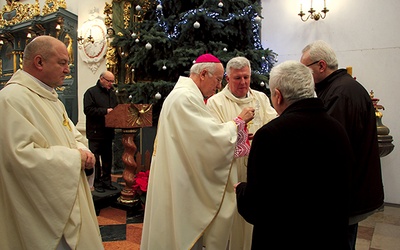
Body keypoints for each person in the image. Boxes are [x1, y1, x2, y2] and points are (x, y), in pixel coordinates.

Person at [140, 53, 256, 250]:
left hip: (179, 173)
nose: (218, 86)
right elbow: (207, 139)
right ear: (203, 74)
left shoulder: (185, 95)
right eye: (218, 79)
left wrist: (236, 135)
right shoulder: (185, 98)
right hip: (181, 179)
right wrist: (238, 122)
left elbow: (199, 138)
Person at [235, 60, 353, 249]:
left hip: (284, 239)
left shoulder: (270, 135)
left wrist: (241, 190)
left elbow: (256, 208)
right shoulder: (337, 129)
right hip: (329, 238)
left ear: (278, 96)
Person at [0, 35, 103, 249]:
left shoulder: (51, 97)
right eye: (62, 63)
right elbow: (19, 158)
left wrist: (84, 150)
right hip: (41, 212)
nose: (67, 70)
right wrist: (75, 158)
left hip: (66, 195)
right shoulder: (11, 99)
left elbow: (71, 134)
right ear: (39, 62)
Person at [300, 40, 384, 249]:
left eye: (305, 68)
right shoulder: (341, 87)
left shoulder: (340, 93)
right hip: (347, 192)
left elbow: (329, 147)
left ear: (321, 65)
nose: (302, 74)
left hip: (343, 195)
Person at [207, 56, 277, 250]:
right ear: (227, 78)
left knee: (254, 223)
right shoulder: (215, 103)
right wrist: (239, 127)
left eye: (246, 77)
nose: (244, 82)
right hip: (230, 172)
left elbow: (275, 124)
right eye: (238, 78)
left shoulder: (260, 98)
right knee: (232, 220)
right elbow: (214, 138)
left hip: (258, 169)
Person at [84, 70, 118, 193]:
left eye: (112, 81)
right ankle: (97, 183)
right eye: (109, 81)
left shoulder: (112, 93)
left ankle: (107, 182)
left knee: (108, 159)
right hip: (95, 132)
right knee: (96, 160)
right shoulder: (90, 92)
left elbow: (116, 108)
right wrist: (105, 111)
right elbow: (88, 110)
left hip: (108, 132)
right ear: (101, 79)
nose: (111, 84)